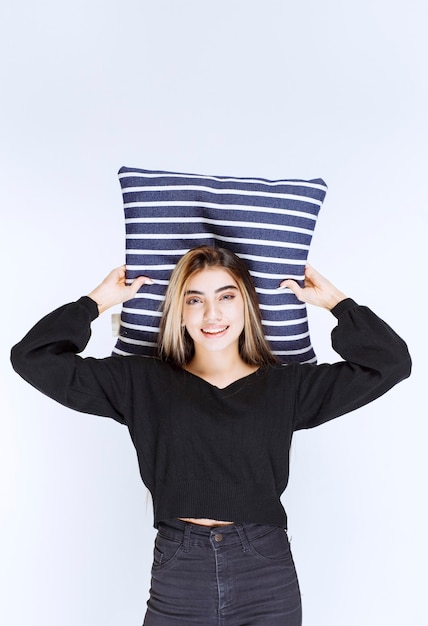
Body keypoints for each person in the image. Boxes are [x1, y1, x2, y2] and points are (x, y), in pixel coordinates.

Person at [10, 245, 411, 626]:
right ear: (178, 311)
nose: (211, 313)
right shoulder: (140, 381)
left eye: (226, 297)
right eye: (194, 299)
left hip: (265, 571)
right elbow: (32, 358)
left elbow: (389, 363)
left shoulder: (287, 387)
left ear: (248, 305)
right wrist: (94, 303)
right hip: (179, 570)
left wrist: (337, 303)